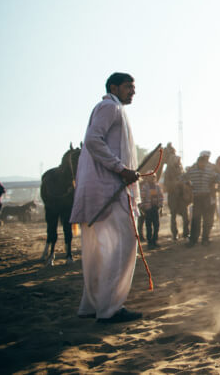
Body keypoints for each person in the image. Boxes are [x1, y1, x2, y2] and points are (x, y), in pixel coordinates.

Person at [70, 72, 142, 323]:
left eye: (134, 87)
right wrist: (121, 169)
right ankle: (110, 309)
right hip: (110, 192)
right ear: (114, 87)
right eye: (128, 87)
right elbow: (92, 140)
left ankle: (92, 306)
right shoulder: (110, 107)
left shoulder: (111, 108)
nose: (132, 91)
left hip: (101, 191)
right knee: (118, 249)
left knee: (98, 253)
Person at [183, 151, 220, 246]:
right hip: (197, 197)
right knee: (196, 219)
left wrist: (214, 185)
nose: (203, 164)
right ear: (198, 163)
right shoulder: (193, 171)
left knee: (207, 219)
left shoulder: (210, 171)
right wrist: (189, 186)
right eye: (201, 163)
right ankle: (193, 239)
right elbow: (183, 178)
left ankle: (205, 238)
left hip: (207, 196)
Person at [163, 156, 190, 240]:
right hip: (173, 195)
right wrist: (175, 183)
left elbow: (186, 180)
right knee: (173, 216)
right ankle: (174, 234)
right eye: (177, 160)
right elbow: (166, 184)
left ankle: (186, 233)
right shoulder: (168, 171)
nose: (178, 161)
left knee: (186, 217)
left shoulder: (181, 170)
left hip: (182, 196)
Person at [139, 174, 164, 249]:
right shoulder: (145, 187)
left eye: (153, 177)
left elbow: (161, 196)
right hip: (148, 209)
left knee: (156, 226)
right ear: (147, 178)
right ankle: (150, 243)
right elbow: (142, 197)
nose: (152, 178)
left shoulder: (157, 187)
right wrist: (142, 207)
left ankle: (154, 241)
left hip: (155, 208)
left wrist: (160, 205)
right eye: (150, 177)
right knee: (148, 226)